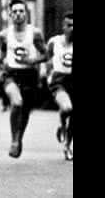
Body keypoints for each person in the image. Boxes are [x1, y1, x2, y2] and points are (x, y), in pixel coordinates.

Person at [0, 0, 47, 159]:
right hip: (11, 73)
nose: (18, 14)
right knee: (16, 102)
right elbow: (2, 52)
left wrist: (33, 60)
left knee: (25, 111)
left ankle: (19, 138)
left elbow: (46, 54)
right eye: (15, 12)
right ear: (10, 14)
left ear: (26, 13)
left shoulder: (34, 33)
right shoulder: (4, 34)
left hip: (29, 74)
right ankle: (14, 140)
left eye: (21, 11)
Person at [45, 11, 72, 161]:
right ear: (63, 26)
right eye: (69, 25)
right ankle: (62, 124)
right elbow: (46, 57)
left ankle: (67, 145)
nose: (72, 28)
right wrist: (49, 76)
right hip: (59, 81)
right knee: (67, 108)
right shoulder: (54, 42)